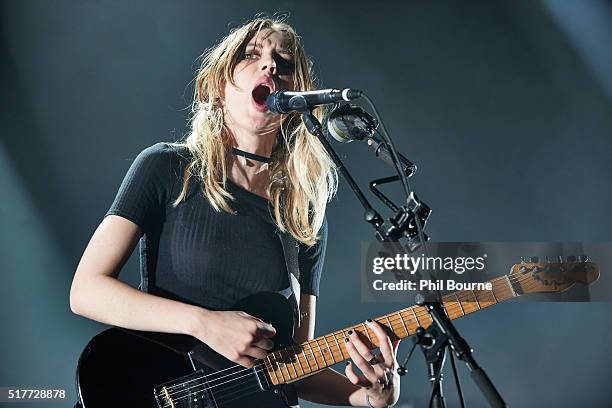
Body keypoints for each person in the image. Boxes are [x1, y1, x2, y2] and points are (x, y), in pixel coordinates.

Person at [70, 16, 400, 407]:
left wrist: (374, 396)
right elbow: (86, 291)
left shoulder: (304, 216)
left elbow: (293, 371)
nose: (271, 65)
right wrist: (204, 324)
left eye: (284, 61)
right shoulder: (168, 168)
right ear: (217, 88)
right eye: (252, 54)